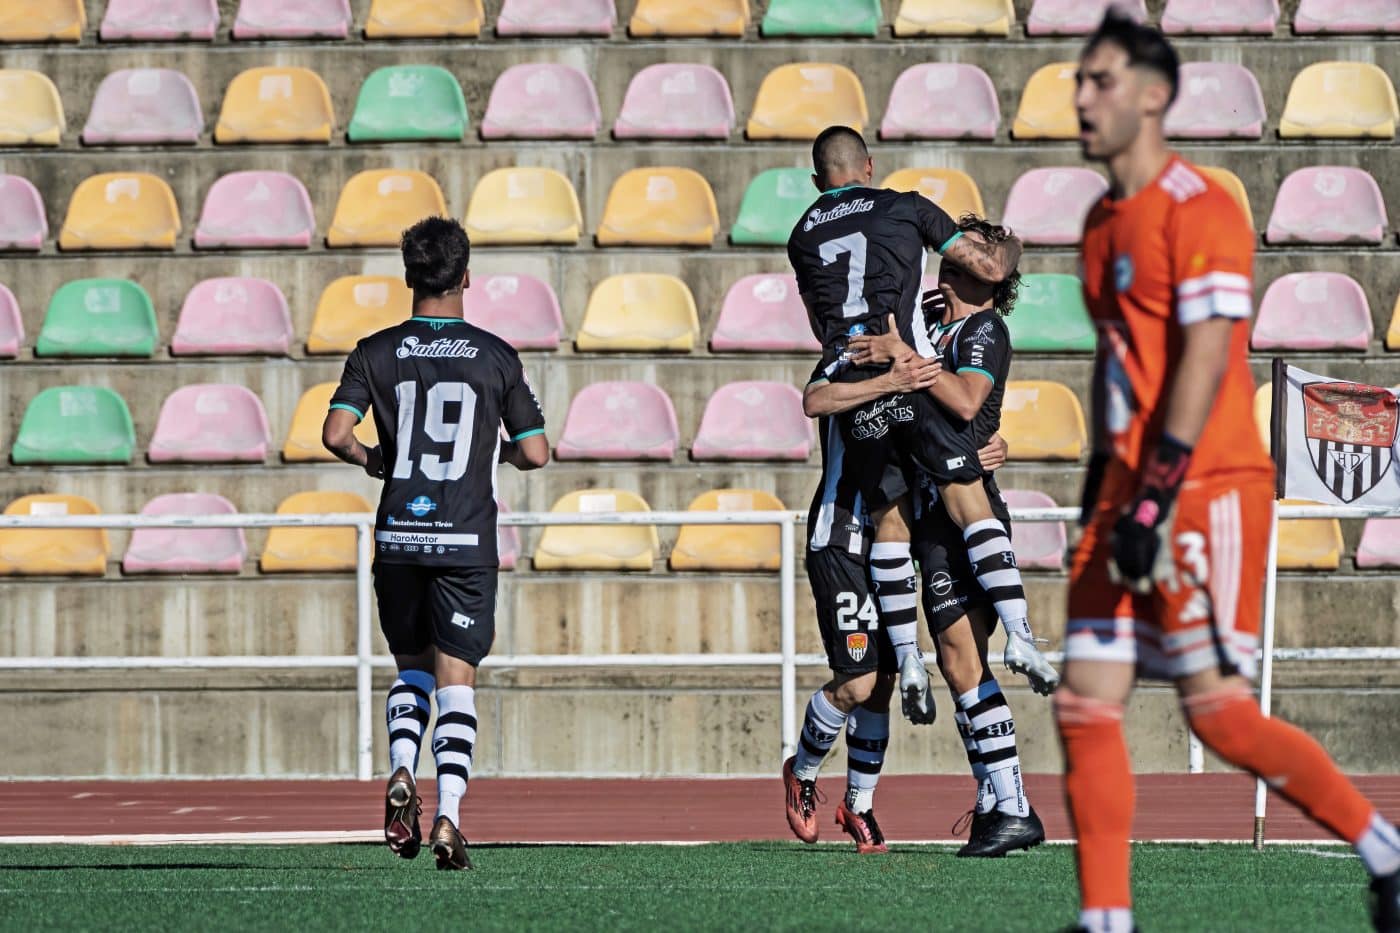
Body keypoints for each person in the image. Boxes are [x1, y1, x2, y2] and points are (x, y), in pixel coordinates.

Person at [1059, 12, 1400, 931]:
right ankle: (1106, 919)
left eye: (1101, 80)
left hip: (1205, 489)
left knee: (1215, 712)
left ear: (1156, 96)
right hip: (1130, 492)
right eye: (1080, 79)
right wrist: (1103, 494)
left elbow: (1208, 353)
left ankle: (1385, 850)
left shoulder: (1201, 205)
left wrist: (1156, 494)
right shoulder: (1099, 221)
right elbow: (1117, 368)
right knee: (1084, 699)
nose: (1081, 95)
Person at [787, 127, 1058, 728]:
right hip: (909, 369)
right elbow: (988, 264)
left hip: (853, 380)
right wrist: (1011, 245)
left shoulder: (801, 235)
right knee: (968, 503)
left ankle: (908, 661)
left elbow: (819, 324)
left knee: (890, 517)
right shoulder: (904, 206)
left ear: (817, 181)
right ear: (869, 165)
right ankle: (1022, 637)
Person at [322, 216, 549, 872]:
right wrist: (491, 451)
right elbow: (535, 451)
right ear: (466, 275)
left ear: (408, 276)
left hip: (399, 533)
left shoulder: (375, 350)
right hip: (464, 537)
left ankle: (400, 768)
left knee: (412, 670)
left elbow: (336, 433)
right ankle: (449, 812)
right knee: (457, 681)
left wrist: (374, 461)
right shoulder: (495, 355)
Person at [849, 216, 1045, 858]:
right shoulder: (940, 325)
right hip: (934, 513)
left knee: (968, 661)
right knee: (962, 665)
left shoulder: (985, 327)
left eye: (962, 252)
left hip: (968, 506)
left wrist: (904, 357)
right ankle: (998, 803)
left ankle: (1010, 804)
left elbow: (964, 403)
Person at [787, 340, 1009, 854]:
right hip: (841, 535)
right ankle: (801, 771)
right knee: (861, 682)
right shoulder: (853, 351)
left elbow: (949, 431)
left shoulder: (923, 355)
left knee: (884, 681)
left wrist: (994, 447)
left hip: (896, 545)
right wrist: (891, 381)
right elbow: (814, 401)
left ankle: (858, 805)